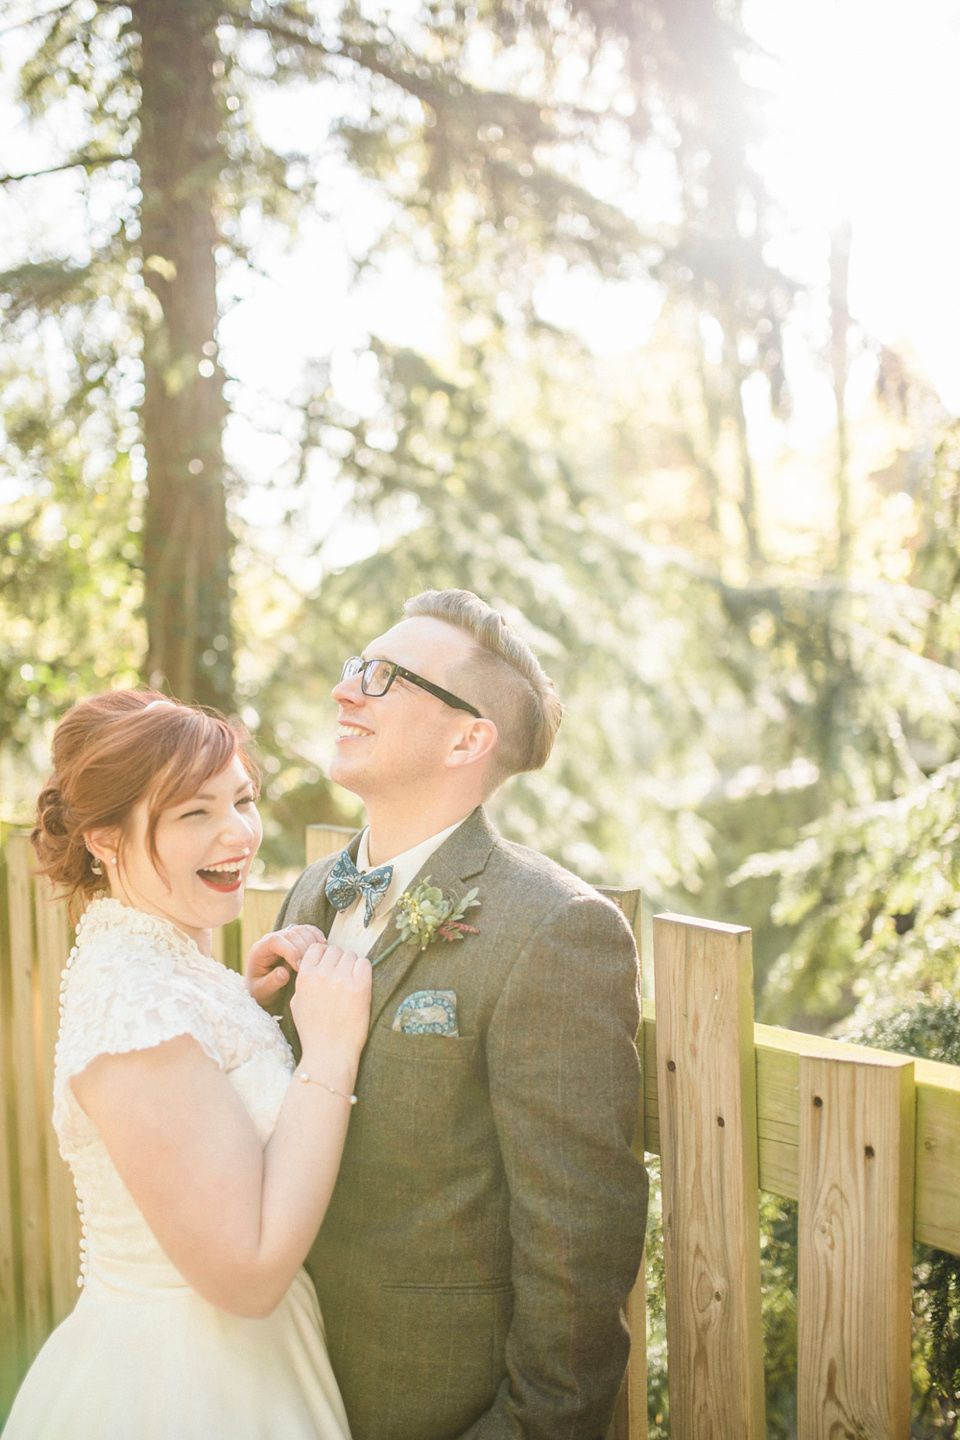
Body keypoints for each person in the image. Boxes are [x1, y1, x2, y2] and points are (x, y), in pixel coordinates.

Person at [248, 589, 648, 1440]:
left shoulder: (556, 929)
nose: (344, 691)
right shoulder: (314, 890)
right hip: (271, 1380)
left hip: (427, 1407)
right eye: (358, 666)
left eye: (386, 677)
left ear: (469, 738)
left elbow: (577, 1265)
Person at [4, 690, 370, 1440]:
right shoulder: (138, 1003)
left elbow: (190, 1093)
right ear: (105, 839)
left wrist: (240, 1005)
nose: (237, 833)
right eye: (193, 814)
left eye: (241, 799)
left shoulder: (157, 956)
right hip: (188, 1390)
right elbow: (247, 1273)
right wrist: (330, 1051)